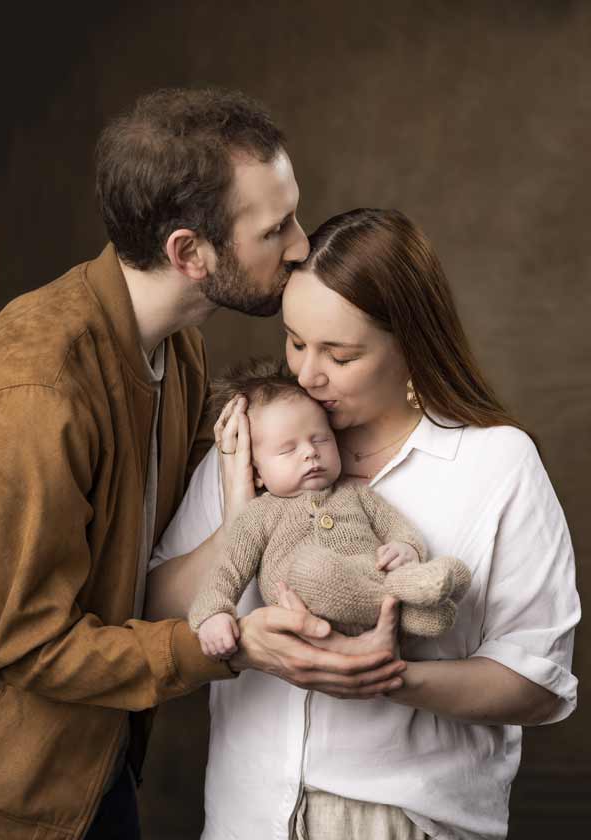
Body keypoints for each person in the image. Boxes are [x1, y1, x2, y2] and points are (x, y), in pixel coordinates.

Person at [0, 90, 406, 840]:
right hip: (27, 798)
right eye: (274, 227)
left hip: (105, 762)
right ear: (190, 253)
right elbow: (26, 644)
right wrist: (232, 641)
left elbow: (178, 550)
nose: (301, 246)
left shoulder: (179, 343)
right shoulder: (37, 388)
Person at [148, 208, 580, 840]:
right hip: (247, 816)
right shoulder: (256, 444)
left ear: (411, 347)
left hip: (401, 822)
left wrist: (387, 679)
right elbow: (156, 604)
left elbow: (538, 685)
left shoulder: (496, 462)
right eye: (295, 341)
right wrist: (240, 518)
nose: (306, 374)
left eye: (340, 354)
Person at [189, 359, 472, 657]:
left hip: (366, 573)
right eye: (288, 449)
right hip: (308, 588)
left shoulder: (355, 493)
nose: (310, 453)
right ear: (257, 472)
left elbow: (394, 525)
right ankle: (406, 599)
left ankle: (418, 592)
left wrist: (407, 547)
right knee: (312, 568)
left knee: (439, 576)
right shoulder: (259, 516)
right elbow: (226, 571)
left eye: (320, 439)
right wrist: (212, 615)